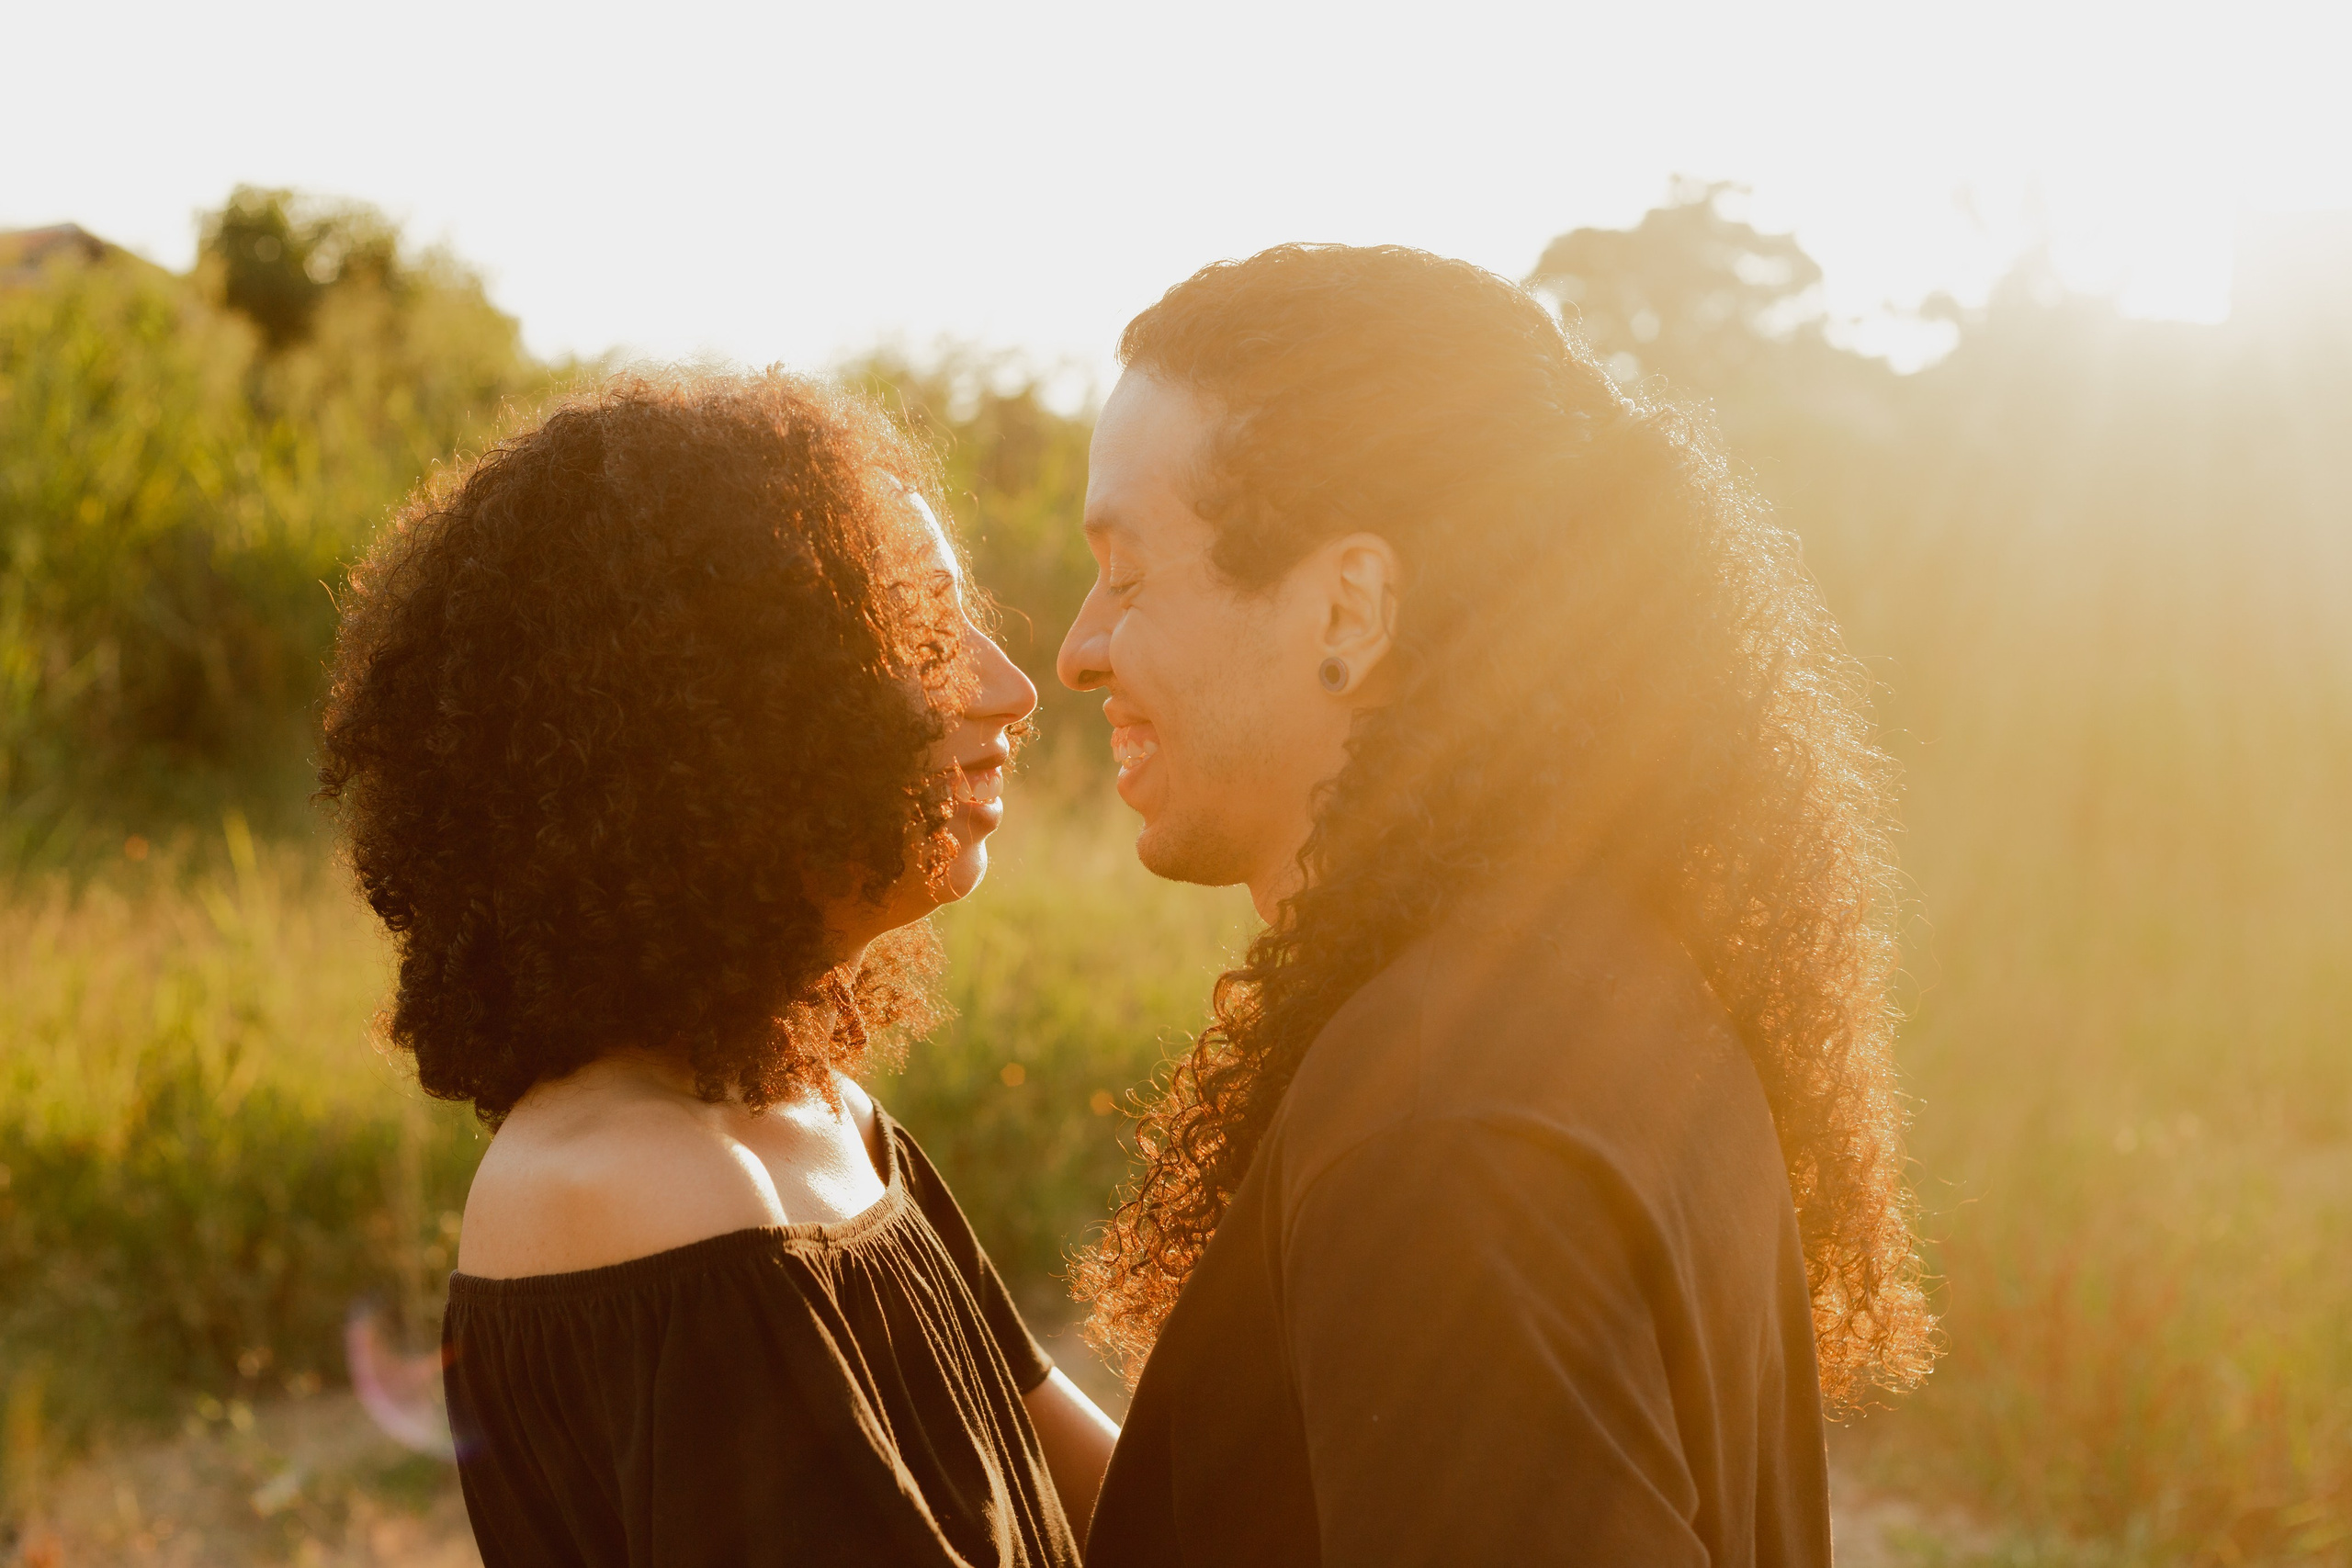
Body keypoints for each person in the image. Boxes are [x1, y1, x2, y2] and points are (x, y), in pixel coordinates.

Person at [1057, 245, 1935, 1566]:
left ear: (1350, 607)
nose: (1077, 649)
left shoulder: (1441, 1127)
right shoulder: (1584, 984)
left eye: (1128, 574)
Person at [317, 371, 1118, 1565]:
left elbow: (1139, 1503)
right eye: (926, 638)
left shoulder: (822, 1119)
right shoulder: (649, 1204)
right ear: (733, 720)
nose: (1010, 691)